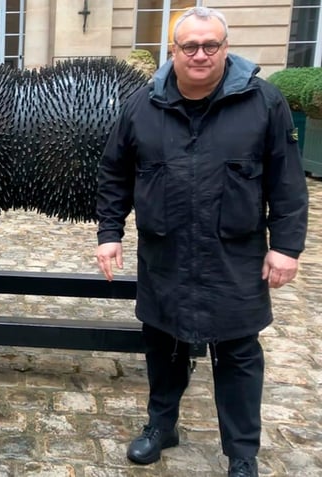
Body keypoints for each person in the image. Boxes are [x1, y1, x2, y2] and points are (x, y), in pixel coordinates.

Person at [94, 7, 308, 477]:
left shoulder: (265, 103)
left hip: (234, 254)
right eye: (189, 46)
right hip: (164, 251)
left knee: (237, 354)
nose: (200, 55)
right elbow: (114, 173)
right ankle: (161, 426)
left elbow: (288, 182)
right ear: (173, 51)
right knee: (163, 344)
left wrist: (286, 246)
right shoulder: (140, 105)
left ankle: (242, 452)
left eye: (211, 45)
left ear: (225, 49)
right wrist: (110, 233)